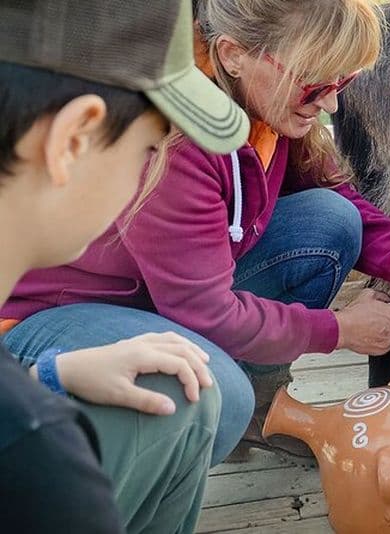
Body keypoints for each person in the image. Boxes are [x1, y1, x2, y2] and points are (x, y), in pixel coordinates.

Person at [2, 0, 390, 464]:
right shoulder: (179, 147)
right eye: (315, 84)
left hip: (161, 293)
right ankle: (211, 423)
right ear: (233, 54)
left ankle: (256, 417)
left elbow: (348, 207)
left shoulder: (266, 111)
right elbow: (204, 311)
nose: (331, 105)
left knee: (331, 220)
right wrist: (339, 330)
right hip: (52, 320)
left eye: (345, 82)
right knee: (208, 396)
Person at [0, 0, 249, 531]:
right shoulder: (41, 470)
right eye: (148, 149)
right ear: (73, 141)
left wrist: (48, 374)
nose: (152, 171)